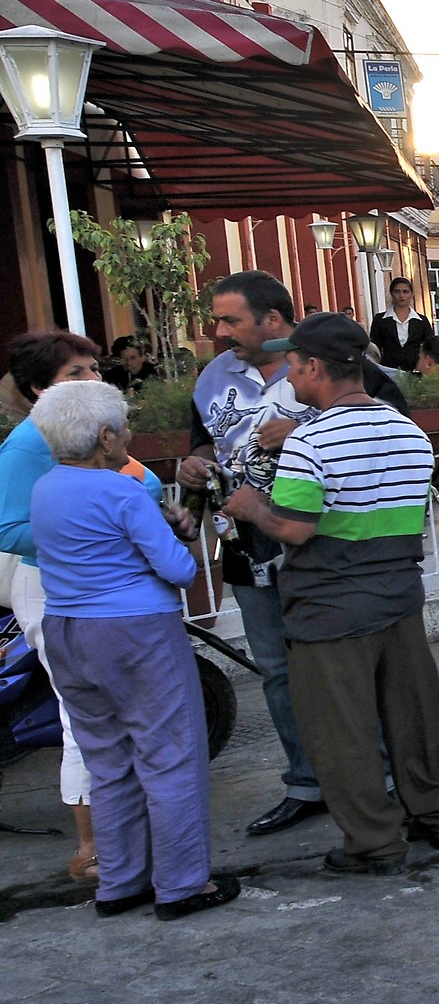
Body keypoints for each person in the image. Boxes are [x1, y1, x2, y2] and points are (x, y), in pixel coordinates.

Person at [219, 314, 439, 873]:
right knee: (412, 718)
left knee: (342, 730)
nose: (288, 373)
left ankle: (375, 842)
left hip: (329, 605)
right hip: (399, 595)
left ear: (313, 368)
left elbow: (296, 527)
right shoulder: (407, 430)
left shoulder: (309, 438)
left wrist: (252, 507)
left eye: (293, 364)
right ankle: (436, 817)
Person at [179, 272, 407, 839]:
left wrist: (308, 427)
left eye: (231, 319)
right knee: (277, 671)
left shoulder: (332, 360)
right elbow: (203, 439)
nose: (219, 329)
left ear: (273, 320)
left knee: (350, 664)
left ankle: (377, 779)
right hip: (248, 545)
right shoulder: (212, 377)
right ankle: (306, 784)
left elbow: (394, 430)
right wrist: (194, 463)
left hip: (327, 543)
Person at [27, 382, 236, 920]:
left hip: (68, 631)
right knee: (170, 757)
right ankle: (183, 884)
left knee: (109, 760)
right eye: (123, 427)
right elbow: (179, 569)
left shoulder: (45, 488)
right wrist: (182, 532)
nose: (128, 436)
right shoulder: (121, 491)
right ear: (104, 437)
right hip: (135, 631)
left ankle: (120, 882)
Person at [0, 330, 145, 882]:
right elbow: (9, 528)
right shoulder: (28, 444)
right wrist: (91, 535)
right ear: (40, 389)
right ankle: (92, 849)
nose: (92, 381)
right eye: (75, 374)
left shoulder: (92, 435)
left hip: (97, 589)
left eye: (92, 369)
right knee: (82, 715)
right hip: (54, 591)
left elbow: (138, 488)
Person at [369, 276, 436, 373]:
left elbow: (430, 346)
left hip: (415, 372)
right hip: (388, 371)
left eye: (405, 292)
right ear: (391, 293)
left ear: (411, 294)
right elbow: (375, 348)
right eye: (397, 291)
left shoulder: (421, 321)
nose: (401, 296)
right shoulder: (380, 320)